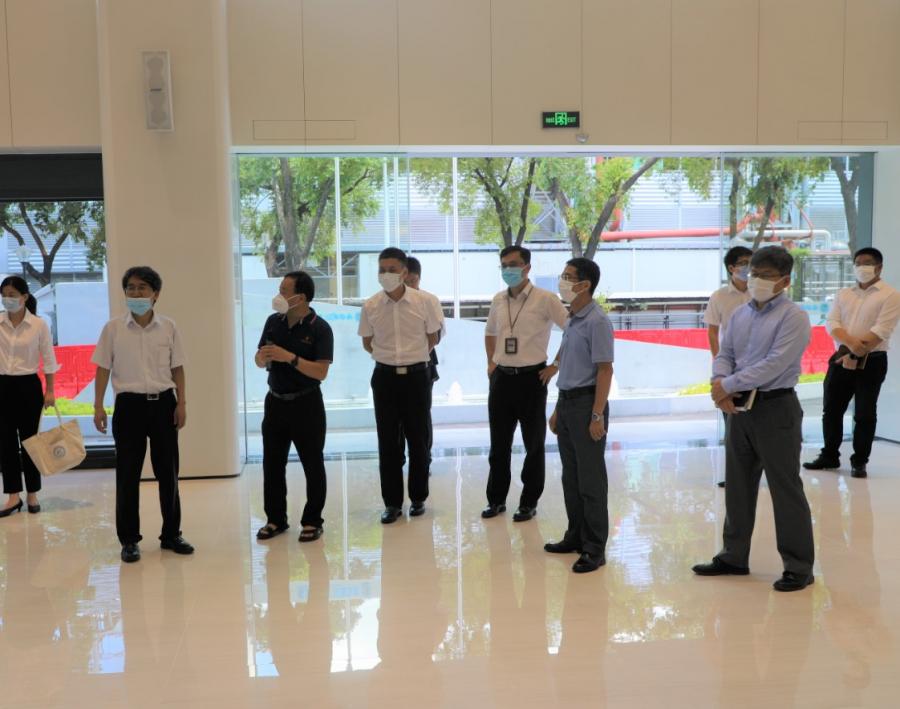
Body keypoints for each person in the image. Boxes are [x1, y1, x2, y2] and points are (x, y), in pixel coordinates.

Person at [693, 246, 815, 592]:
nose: (757, 280)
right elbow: (725, 353)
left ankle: (799, 566)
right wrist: (720, 382)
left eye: (766, 275)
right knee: (738, 486)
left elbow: (774, 364)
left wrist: (727, 386)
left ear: (785, 281)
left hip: (776, 408)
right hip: (739, 410)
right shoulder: (739, 314)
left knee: (785, 489)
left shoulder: (794, 317)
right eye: (755, 273)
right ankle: (733, 555)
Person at [92, 266, 193, 563]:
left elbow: (178, 367)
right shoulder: (113, 329)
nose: (136, 293)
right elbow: (102, 368)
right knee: (127, 475)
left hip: (163, 405)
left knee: (168, 473)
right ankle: (129, 540)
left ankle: (171, 534)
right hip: (128, 407)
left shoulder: (169, 327)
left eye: (142, 288)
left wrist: (182, 403)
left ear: (155, 294)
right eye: (131, 288)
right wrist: (98, 406)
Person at [359, 247, 443, 524]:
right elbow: (367, 342)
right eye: (382, 270)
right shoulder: (371, 305)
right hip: (384, 378)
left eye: (392, 270)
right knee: (387, 442)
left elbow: (433, 338)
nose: (386, 274)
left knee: (418, 438)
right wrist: (390, 358)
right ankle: (392, 503)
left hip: (417, 377)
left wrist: (410, 356)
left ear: (405, 272)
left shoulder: (426, 301)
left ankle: (418, 497)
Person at [482, 245, 567, 521]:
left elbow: (573, 331)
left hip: (532, 378)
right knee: (498, 445)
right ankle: (496, 500)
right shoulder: (498, 300)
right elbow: (490, 333)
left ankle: (529, 502)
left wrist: (555, 365)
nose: (508, 270)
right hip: (501, 379)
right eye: (504, 265)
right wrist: (491, 363)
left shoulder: (546, 299)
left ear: (527, 267)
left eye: (514, 264)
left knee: (534, 445)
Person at [804, 247, 900, 478]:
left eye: (867, 263)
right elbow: (832, 323)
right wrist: (850, 347)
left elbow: (882, 330)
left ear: (879, 267)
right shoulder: (844, 293)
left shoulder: (891, 295)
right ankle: (829, 455)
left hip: (872, 361)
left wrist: (856, 352)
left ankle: (859, 461)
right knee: (831, 410)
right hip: (840, 358)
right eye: (857, 263)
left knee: (865, 413)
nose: (861, 267)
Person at [544, 258, 613, 574]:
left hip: (587, 405)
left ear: (585, 284)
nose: (563, 281)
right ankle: (575, 536)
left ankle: (595, 548)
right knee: (571, 478)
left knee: (591, 481)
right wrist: (558, 409)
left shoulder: (597, 321)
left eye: (568, 276)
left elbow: (604, 370)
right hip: (568, 402)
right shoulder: (573, 318)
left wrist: (597, 415)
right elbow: (568, 367)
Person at [255, 271, 333, 542]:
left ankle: (312, 520)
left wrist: (290, 357)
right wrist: (262, 357)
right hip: (275, 402)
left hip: (306, 403)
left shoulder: (320, 328)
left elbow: (321, 371)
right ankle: (275, 519)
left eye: (284, 291)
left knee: (313, 464)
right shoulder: (272, 322)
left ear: (301, 297)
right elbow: (259, 360)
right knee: (272, 465)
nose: (279, 295)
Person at [0, 276, 58, 517]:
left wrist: (50, 390)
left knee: (30, 442)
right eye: (4, 295)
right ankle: (13, 496)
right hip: (2, 385)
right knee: (5, 443)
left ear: (24, 297)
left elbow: (49, 358)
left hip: (28, 386)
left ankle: (32, 493)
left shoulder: (38, 324)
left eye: (12, 295)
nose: (8, 299)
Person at [704, 246, 752, 487]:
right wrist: (719, 365)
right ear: (731, 268)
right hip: (730, 368)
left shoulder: (761, 294)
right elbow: (713, 332)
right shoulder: (719, 296)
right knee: (732, 424)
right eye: (743, 263)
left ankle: (757, 471)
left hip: (758, 367)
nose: (748, 267)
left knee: (757, 421)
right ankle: (736, 475)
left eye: (751, 262)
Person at [403, 256, 444, 466]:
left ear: (419, 278)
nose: (410, 285)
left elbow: (437, 335)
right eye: (406, 281)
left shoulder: (428, 300)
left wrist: (418, 355)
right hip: (395, 363)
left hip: (424, 361)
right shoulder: (391, 302)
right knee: (397, 414)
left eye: (414, 281)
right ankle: (398, 457)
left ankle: (423, 457)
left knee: (421, 411)